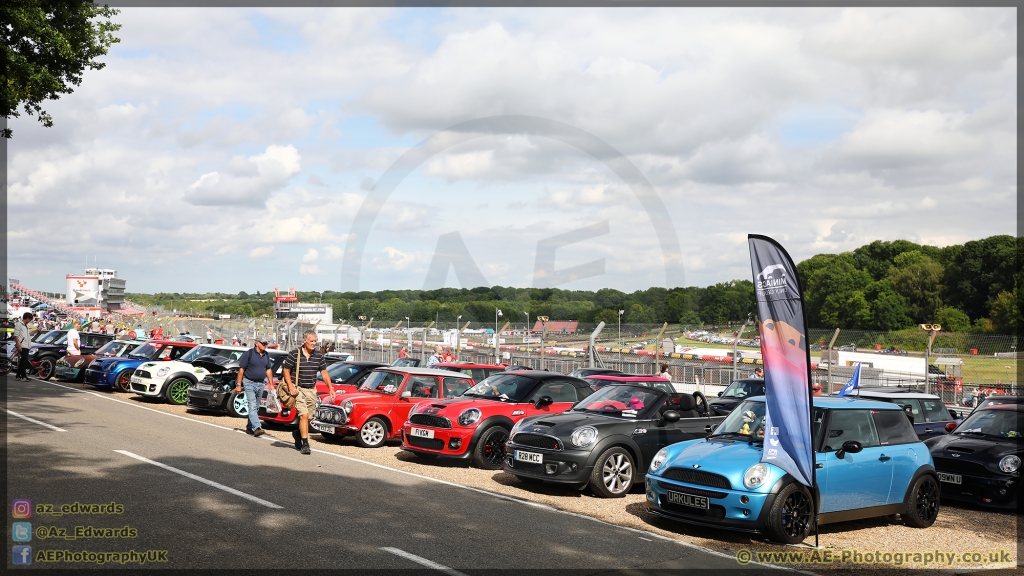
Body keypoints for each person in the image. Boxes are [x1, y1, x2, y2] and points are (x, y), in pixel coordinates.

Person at [282, 330, 334, 455]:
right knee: (303, 415)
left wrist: (330, 387)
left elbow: (324, 372)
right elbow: (286, 370)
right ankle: (305, 444)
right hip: (298, 389)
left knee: (309, 417)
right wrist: (291, 386)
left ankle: (298, 433)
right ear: (304, 341)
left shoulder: (318, 355)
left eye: (315, 341)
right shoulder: (295, 353)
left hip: (311, 390)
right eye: (311, 341)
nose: (314, 343)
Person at [234, 339, 275, 437]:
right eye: (263, 343)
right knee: (252, 405)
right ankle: (257, 427)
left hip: (261, 384)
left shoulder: (266, 355)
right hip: (249, 382)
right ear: (257, 343)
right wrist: (238, 385)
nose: (265, 345)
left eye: (266, 343)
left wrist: (271, 384)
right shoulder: (249, 354)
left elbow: (268, 370)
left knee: (256, 407)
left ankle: (249, 427)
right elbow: (241, 370)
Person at [14, 312, 33, 381]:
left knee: (23, 361)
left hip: (26, 345)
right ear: (27, 318)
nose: (30, 321)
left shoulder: (25, 326)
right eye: (30, 319)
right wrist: (18, 345)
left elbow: (27, 335)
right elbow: (16, 335)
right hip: (22, 345)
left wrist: (35, 332)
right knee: (24, 361)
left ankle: (18, 375)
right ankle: (23, 376)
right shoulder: (19, 324)